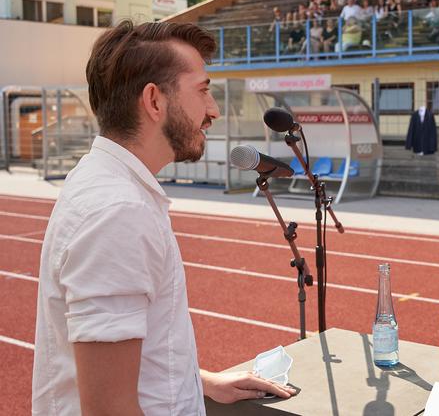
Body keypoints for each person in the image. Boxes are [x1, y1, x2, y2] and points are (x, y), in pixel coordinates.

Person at [31, 21, 297, 414]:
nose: (214, 111)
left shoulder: (107, 184)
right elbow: (109, 410)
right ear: (155, 101)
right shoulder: (117, 212)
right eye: (203, 91)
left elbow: (130, 355)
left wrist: (197, 380)